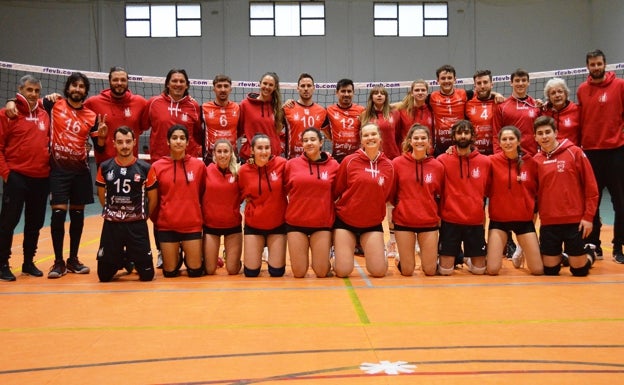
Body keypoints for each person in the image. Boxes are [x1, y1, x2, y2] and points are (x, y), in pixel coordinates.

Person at [45, 72, 104, 278]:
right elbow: (29, 105)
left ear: (85, 91)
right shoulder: (53, 105)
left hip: (80, 171)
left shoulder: (91, 116)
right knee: (58, 215)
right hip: (58, 170)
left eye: (81, 86)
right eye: (74, 85)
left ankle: (73, 260)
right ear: (67, 88)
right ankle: (58, 262)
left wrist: (102, 136)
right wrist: (10, 101)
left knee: (77, 216)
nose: (77, 89)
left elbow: (99, 145)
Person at [533, 116, 599, 276]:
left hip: (574, 222)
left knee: (580, 271)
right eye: (540, 133)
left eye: (548, 132)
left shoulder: (574, 152)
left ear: (556, 133)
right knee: (550, 270)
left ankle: (590, 254)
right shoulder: (536, 161)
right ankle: (563, 257)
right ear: (535, 137)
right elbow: (533, 194)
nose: (544, 136)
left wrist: (588, 217)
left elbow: (591, 188)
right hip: (549, 223)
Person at [0, 75, 50, 281]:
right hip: (17, 176)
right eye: (29, 90)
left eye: (37, 91)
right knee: (8, 221)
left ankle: (28, 262)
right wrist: (7, 174)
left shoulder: (45, 114)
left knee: (35, 222)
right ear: (20, 90)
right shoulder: (7, 114)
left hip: (41, 177)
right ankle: (2, 263)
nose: (33, 94)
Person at [576, 49, 624, 263]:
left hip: (616, 153)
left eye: (599, 63)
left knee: (620, 202)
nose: (596, 67)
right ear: (588, 67)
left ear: (605, 64)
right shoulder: (582, 90)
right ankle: (594, 245)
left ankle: (618, 247)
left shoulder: (620, 86)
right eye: (592, 64)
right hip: (591, 153)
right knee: (591, 203)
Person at [95, 126, 157, 282]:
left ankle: (130, 257)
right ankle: (123, 259)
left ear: (134, 143)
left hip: (136, 225)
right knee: (103, 276)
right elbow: (103, 197)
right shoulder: (105, 167)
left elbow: (153, 198)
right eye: (120, 142)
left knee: (147, 276)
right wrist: (113, 212)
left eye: (128, 142)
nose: (124, 146)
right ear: (113, 143)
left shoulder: (145, 168)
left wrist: (142, 215)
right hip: (112, 225)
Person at [333, 123, 394, 278]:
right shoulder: (349, 161)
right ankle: (335, 253)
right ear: (361, 141)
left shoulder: (389, 166)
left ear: (380, 139)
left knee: (378, 271)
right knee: (343, 271)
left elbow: (386, 196)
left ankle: (380, 252)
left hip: (371, 224)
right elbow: (337, 190)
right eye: (366, 135)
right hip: (346, 222)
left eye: (373, 134)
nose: (370, 138)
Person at [486, 126, 543, 275]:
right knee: (492, 269)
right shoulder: (491, 161)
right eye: (504, 139)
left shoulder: (531, 162)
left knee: (537, 270)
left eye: (511, 139)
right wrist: (452, 149)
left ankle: (521, 247)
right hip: (499, 221)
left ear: (519, 141)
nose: (508, 142)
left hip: (523, 221)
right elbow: (471, 158)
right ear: (499, 142)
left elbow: (537, 192)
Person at [437, 120, 491, 275]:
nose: (463, 136)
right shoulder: (442, 160)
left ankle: (464, 257)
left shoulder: (485, 162)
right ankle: (455, 256)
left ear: (473, 136)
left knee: (480, 271)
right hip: (450, 221)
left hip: (474, 221)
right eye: (459, 132)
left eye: (466, 132)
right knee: (445, 271)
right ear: (453, 136)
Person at [151, 125, 206, 277]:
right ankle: (176, 254)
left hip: (191, 226)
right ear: (168, 142)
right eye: (174, 138)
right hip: (167, 226)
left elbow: (202, 193)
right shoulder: (157, 167)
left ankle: (189, 256)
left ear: (188, 142)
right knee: (169, 273)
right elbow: (153, 199)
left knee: (195, 272)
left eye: (182, 138)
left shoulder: (199, 166)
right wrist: (159, 221)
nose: (178, 142)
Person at [284, 128, 339, 278]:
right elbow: (282, 191)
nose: (309, 143)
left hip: (321, 224)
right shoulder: (291, 165)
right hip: (296, 222)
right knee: (299, 272)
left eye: (313, 139)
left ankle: (332, 258)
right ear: (302, 144)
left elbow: (338, 194)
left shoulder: (334, 166)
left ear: (321, 142)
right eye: (305, 140)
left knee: (321, 272)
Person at [390, 124, 444, 276]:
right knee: (407, 271)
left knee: (430, 270)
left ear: (429, 141)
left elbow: (440, 193)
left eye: (423, 138)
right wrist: (403, 207)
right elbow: (392, 193)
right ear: (409, 141)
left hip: (428, 221)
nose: (419, 141)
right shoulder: (397, 163)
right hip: (404, 221)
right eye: (416, 138)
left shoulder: (437, 166)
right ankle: (401, 258)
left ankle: (427, 255)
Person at [238, 134, 288, 277]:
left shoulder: (282, 164)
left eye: (267, 148)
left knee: (276, 272)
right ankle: (257, 250)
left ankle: (269, 253)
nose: (264, 151)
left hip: (277, 225)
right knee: (251, 273)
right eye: (259, 148)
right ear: (252, 150)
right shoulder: (243, 171)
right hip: (254, 226)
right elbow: (238, 195)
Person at [360, 86, 401, 257]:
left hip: (391, 160)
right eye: (376, 93)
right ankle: (367, 239)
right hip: (370, 161)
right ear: (371, 97)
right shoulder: (363, 115)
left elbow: (412, 99)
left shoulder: (394, 113)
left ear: (386, 97)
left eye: (382, 93)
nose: (379, 95)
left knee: (392, 203)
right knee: (372, 201)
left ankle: (392, 241)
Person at [84, 66, 148, 166]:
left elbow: (146, 125)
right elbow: (75, 110)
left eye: (123, 80)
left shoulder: (140, 103)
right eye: (115, 80)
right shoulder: (93, 103)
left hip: (132, 163)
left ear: (128, 81)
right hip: (105, 163)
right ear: (109, 81)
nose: (119, 83)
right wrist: (56, 99)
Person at [143, 69, 203, 163]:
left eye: (182, 81)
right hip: (160, 161)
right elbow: (143, 126)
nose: (178, 84)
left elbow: (197, 134)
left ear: (187, 85)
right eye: (174, 81)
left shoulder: (194, 106)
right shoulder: (153, 103)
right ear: (167, 84)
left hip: (186, 162)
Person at [202, 139, 242, 275]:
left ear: (231, 153)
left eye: (226, 151)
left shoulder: (239, 173)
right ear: (214, 154)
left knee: (232, 270)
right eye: (219, 151)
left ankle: (230, 255)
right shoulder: (205, 171)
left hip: (233, 226)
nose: (223, 155)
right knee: (209, 270)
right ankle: (214, 258)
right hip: (211, 226)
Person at [492, 69, 541, 156]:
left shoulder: (536, 105)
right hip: (509, 156)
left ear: (528, 82)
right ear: (511, 83)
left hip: (532, 156)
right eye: (517, 81)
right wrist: (499, 155)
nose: (520, 83)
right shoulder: (501, 107)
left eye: (524, 80)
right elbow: (496, 135)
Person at [238, 72, 284, 162]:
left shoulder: (277, 107)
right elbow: (238, 129)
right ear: (260, 83)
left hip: (272, 156)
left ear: (275, 87)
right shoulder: (245, 104)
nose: (267, 87)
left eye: (271, 85)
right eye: (265, 83)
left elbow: (278, 132)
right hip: (251, 156)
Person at [429, 65, 472, 156]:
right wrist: (390, 106)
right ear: (438, 80)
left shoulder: (464, 94)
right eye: (443, 78)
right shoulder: (432, 97)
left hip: (460, 144)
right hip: (440, 146)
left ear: (454, 79)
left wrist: (496, 94)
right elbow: (409, 101)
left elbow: (482, 94)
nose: (446, 81)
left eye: (449, 78)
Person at [282, 73, 327, 159]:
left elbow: (330, 135)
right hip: (293, 160)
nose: (306, 89)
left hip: (314, 159)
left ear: (314, 88)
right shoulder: (287, 109)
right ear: (297, 88)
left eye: (309, 86)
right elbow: (275, 131)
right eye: (303, 86)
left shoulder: (322, 111)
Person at [201, 74, 240, 164]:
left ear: (231, 89)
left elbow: (240, 129)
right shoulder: (204, 108)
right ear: (213, 89)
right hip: (211, 157)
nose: (223, 89)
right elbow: (197, 132)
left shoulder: (237, 108)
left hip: (232, 156)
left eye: (226, 86)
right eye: (219, 86)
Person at [326, 78, 366, 163]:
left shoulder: (361, 110)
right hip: (337, 158)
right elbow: (324, 129)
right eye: (343, 91)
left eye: (349, 91)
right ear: (337, 92)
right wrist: (335, 139)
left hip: (357, 157)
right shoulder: (329, 110)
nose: (346, 94)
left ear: (353, 92)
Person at [542, 77, 581, 146]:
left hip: (571, 152)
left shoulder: (576, 110)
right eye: (553, 93)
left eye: (560, 91)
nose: (557, 95)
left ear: (566, 94)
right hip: (551, 152)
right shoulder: (544, 111)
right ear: (549, 97)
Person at [465, 70, 496, 155]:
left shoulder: (500, 103)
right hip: (475, 154)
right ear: (475, 86)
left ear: (492, 84)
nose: (482, 86)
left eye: (485, 82)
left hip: (496, 153)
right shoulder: (468, 104)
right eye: (479, 83)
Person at [395, 79, 433, 144]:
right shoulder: (402, 110)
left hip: (427, 151)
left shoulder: (432, 109)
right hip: (407, 151)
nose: (420, 92)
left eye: (423, 90)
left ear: (427, 93)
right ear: (412, 93)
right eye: (417, 90)